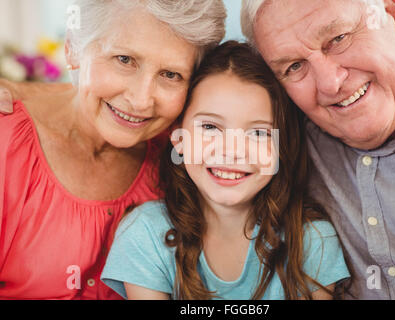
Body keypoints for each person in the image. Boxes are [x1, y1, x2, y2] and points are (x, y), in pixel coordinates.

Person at [0, 0, 226, 300]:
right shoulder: (8, 145)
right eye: (124, 59)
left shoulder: (182, 153)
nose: (141, 100)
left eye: (171, 75)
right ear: (73, 48)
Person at [100, 41, 350, 300]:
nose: (231, 151)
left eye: (258, 132)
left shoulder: (311, 239)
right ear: (178, 137)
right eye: (210, 127)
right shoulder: (145, 234)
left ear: (281, 147)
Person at [241, 0, 395, 299]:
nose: (330, 83)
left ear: (393, 16)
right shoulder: (288, 136)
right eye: (295, 66)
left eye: (338, 39)